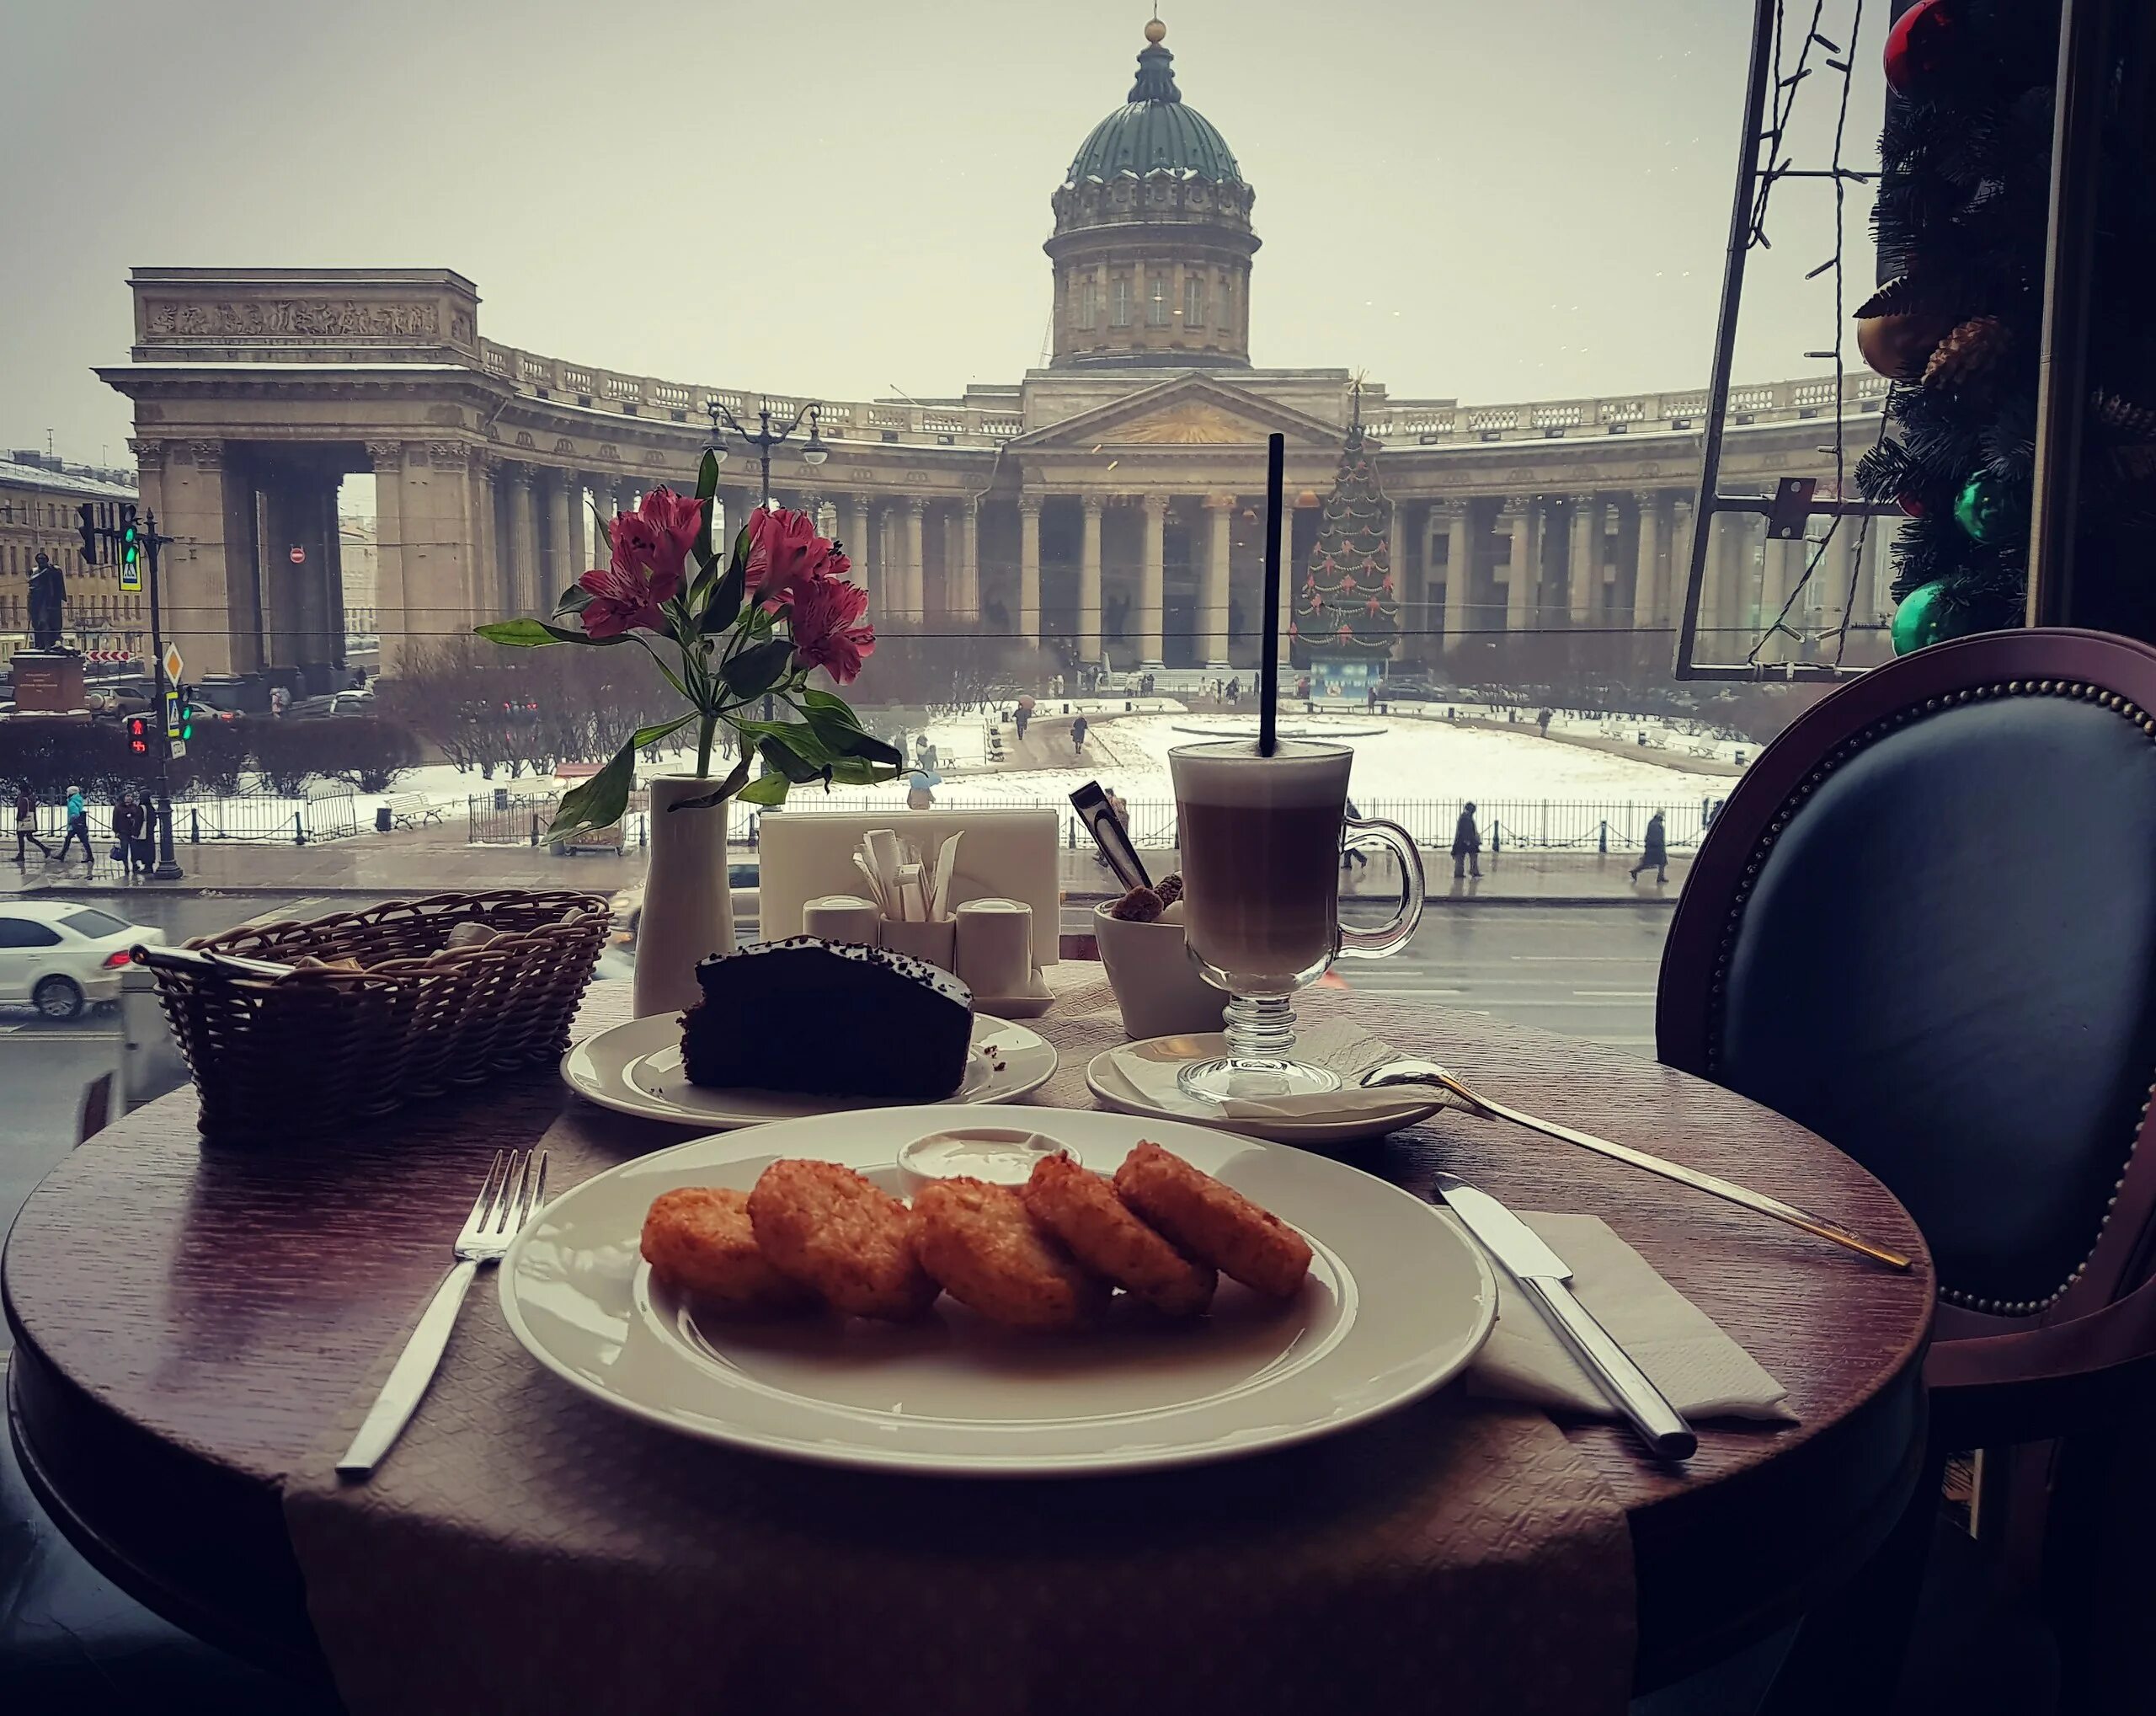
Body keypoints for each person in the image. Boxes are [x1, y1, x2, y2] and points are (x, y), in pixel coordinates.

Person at [13, 783, 50, 864]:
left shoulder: (22, 798)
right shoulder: (30, 798)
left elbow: (23, 809)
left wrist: (20, 818)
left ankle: (21, 855)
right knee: (29, 837)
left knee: (20, 836)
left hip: (24, 821)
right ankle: (45, 849)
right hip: (30, 820)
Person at [112, 793, 147, 876]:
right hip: (123, 831)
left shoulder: (134, 807)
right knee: (124, 849)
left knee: (134, 849)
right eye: (127, 796)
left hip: (133, 831)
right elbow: (115, 820)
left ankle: (134, 864)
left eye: (131, 796)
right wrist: (116, 831)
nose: (129, 798)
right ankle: (126, 865)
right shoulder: (118, 807)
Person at [57, 783, 93, 864]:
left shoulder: (72, 802)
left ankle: (62, 855)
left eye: (67, 792)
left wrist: (71, 821)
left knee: (77, 840)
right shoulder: (77, 800)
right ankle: (62, 855)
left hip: (75, 825)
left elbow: (74, 814)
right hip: (79, 824)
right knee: (74, 839)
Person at [1630, 811, 1668, 885]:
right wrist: (1659, 844)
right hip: (1655, 847)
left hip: (1656, 846)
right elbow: (1655, 837)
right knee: (1648, 863)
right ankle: (1635, 871)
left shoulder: (1655, 822)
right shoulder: (1655, 824)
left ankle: (1660, 877)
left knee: (1662, 862)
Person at [1451, 801, 1481, 880]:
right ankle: (1472, 871)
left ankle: (1460, 872)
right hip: (1466, 841)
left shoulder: (1465, 817)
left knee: (1462, 857)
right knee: (1470, 856)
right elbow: (1466, 830)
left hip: (1463, 840)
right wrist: (1468, 840)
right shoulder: (1466, 818)